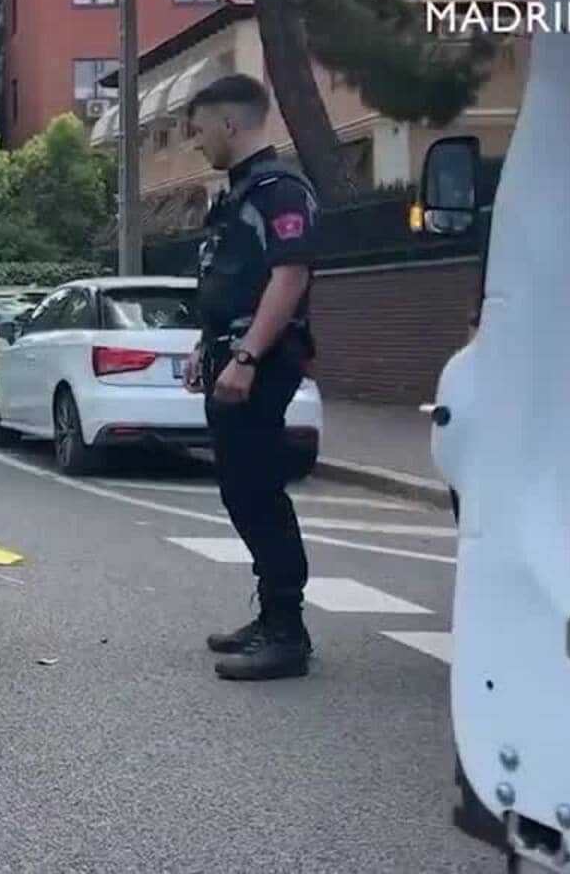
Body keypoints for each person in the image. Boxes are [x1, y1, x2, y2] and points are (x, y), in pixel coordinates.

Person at [180, 73, 318, 682]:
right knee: (242, 489)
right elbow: (233, 284)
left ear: (230, 124)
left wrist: (248, 357)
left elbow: (289, 277)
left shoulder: (277, 190)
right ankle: (273, 618)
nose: (198, 141)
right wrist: (204, 348)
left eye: (201, 129)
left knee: (259, 490)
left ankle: (286, 632)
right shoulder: (237, 194)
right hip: (231, 355)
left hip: (259, 363)